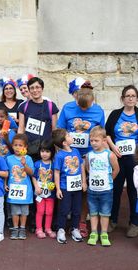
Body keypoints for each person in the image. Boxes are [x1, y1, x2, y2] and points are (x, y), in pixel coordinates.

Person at [57, 86, 104, 238]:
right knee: (66, 188)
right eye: (81, 106)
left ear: (93, 100)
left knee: (84, 190)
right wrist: (62, 152)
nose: (84, 108)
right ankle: (63, 223)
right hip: (69, 155)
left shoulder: (98, 110)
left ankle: (81, 221)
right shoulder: (67, 108)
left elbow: (101, 133)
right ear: (76, 98)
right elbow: (60, 131)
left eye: (87, 106)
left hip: (89, 155)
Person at [105, 85, 138, 237]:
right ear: (122, 99)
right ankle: (112, 220)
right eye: (127, 96)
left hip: (135, 159)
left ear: (136, 99)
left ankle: (134, 223)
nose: (130, 98)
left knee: (133, 190)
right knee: (116, 189)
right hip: (117, 158)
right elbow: (107, 134)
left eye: (133, 96)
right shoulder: (115, 114)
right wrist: (113, 147)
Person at [85, 126, 119, 246]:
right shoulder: (89, 155)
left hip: (106, 191)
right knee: (93, 212)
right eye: (91, 141)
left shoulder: (109, 155)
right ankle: (94, 233)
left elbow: (116, 169)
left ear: (104, 141)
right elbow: (88, 169)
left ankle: (104, 234)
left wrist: (109, 180)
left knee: (105, 213)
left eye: (96, 140)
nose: (93, 143)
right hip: (92, 190)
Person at [52, 128, 87, 244]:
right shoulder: (59, 156)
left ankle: (74, 228)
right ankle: (61, 229)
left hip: (77, 186)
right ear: (64, 142)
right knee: (64, 209)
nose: (71, 135)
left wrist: (84, 182)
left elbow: (81, 167)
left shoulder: (76, 151)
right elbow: (56, 172)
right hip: (65, 187)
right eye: (68, 135)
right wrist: (58, 189)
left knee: (77, 209)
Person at [18, 76, 59, 162]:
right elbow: (21, 129)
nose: (35, 90)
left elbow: (54, 129)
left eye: (37, 87)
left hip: (47, 149)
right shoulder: (23, 106)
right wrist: (20, 147)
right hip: (30, 148)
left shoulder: (51, 106)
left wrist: (56, 149)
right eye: (32, 88)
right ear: (29, 90)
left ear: (42, 88)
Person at [6, 134, 34, 240]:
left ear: (25, 147)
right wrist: (5, 184)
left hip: (25, 190)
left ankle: (22, 228)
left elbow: (31, 173)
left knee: (24, 212)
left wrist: (24, 165)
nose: (18, 147)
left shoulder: (28, 158)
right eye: (15, 145)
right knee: (14, 211)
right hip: (13, 190)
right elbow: (6, 173)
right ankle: (15, 228)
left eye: (20, 145)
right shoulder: (9, 158)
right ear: (12, 146)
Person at [32, 140, 56, 239]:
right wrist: (36, 187)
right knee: (40, 211)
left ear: (52, 152)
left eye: (47, 151)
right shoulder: (37, 164)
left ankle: (48, 228)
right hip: (39, 192)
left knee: (49, 211)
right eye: (42, 151)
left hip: (50, 193)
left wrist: (53, 185)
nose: (44, 154)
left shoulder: (54, 164)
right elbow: (33, 176)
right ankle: (39, 228)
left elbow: (57, 176)